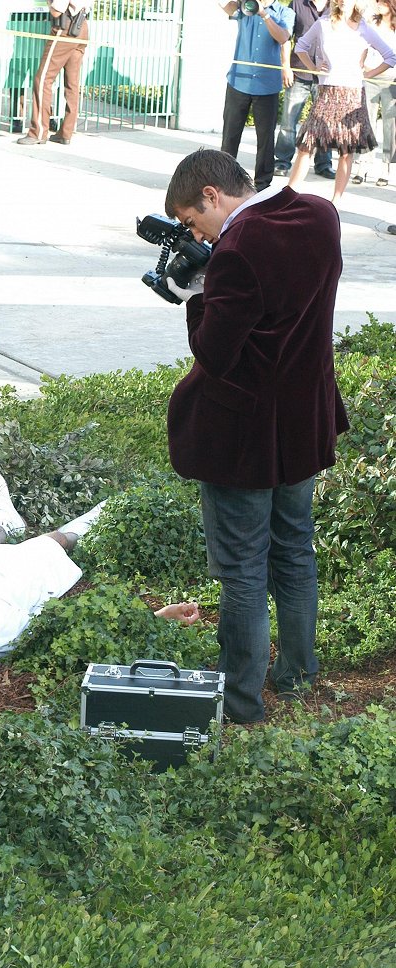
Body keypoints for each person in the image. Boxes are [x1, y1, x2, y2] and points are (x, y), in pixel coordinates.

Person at [163, 148, 349, 724]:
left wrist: (196, 292)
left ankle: (242, 702)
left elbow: (217, 353)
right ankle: (297, 675)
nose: (193, 234)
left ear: (212, 196)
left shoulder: (237, 251)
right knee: (294, 550)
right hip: (304, 420)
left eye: (192, 222)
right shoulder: (321, 215)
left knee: (243, 569)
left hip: (244, 436)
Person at [0, 464, 200, 684]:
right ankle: (86, 524)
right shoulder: (0, 636)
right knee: (52, 544)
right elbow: (71, 634)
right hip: (10, 585)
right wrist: (156, 617)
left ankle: (3, 519)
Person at [288, 0, 396, 203]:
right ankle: (288, 195)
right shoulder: (323, 23)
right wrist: (313, 67)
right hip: (327, 92)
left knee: (346, 152)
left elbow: (390, 57)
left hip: (353, 94)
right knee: (306, 145)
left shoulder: (364, 27)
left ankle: (335, 203)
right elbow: (300, 46)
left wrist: (367, 73)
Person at [218, 0, 295, 191]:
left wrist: (264, 14)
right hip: (239, 81)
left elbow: (283, 37)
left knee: (266, 139)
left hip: (267, 84)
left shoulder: (285, 12)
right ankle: (224, 180)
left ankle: (262, 185)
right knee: (230, 136)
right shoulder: (246, 7)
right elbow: (226, 7)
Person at [273, 0, 336, 180]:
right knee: (288, 121)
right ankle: (282, 161)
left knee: (325, 123)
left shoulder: (336, 6)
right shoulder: (297, 4)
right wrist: (286, 66)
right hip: (299, 71)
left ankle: (324, 164)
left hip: (326, 75)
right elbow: (286, 37)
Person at [16, 0, 88, 146]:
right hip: (82, 27)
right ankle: (66, 133)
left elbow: (56, 11)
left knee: (42, 80)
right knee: (72, 84)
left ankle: (38, 132)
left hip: (65, 28)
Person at [351, 0, 396, 184]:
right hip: (369, 79)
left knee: (390, 127)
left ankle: (386, 168)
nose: (379, 5)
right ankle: (364, 165)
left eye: (383, 2)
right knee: (366, 124)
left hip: (391, 81)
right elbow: (364, 45)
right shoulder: (371, 22)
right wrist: (361, 65)